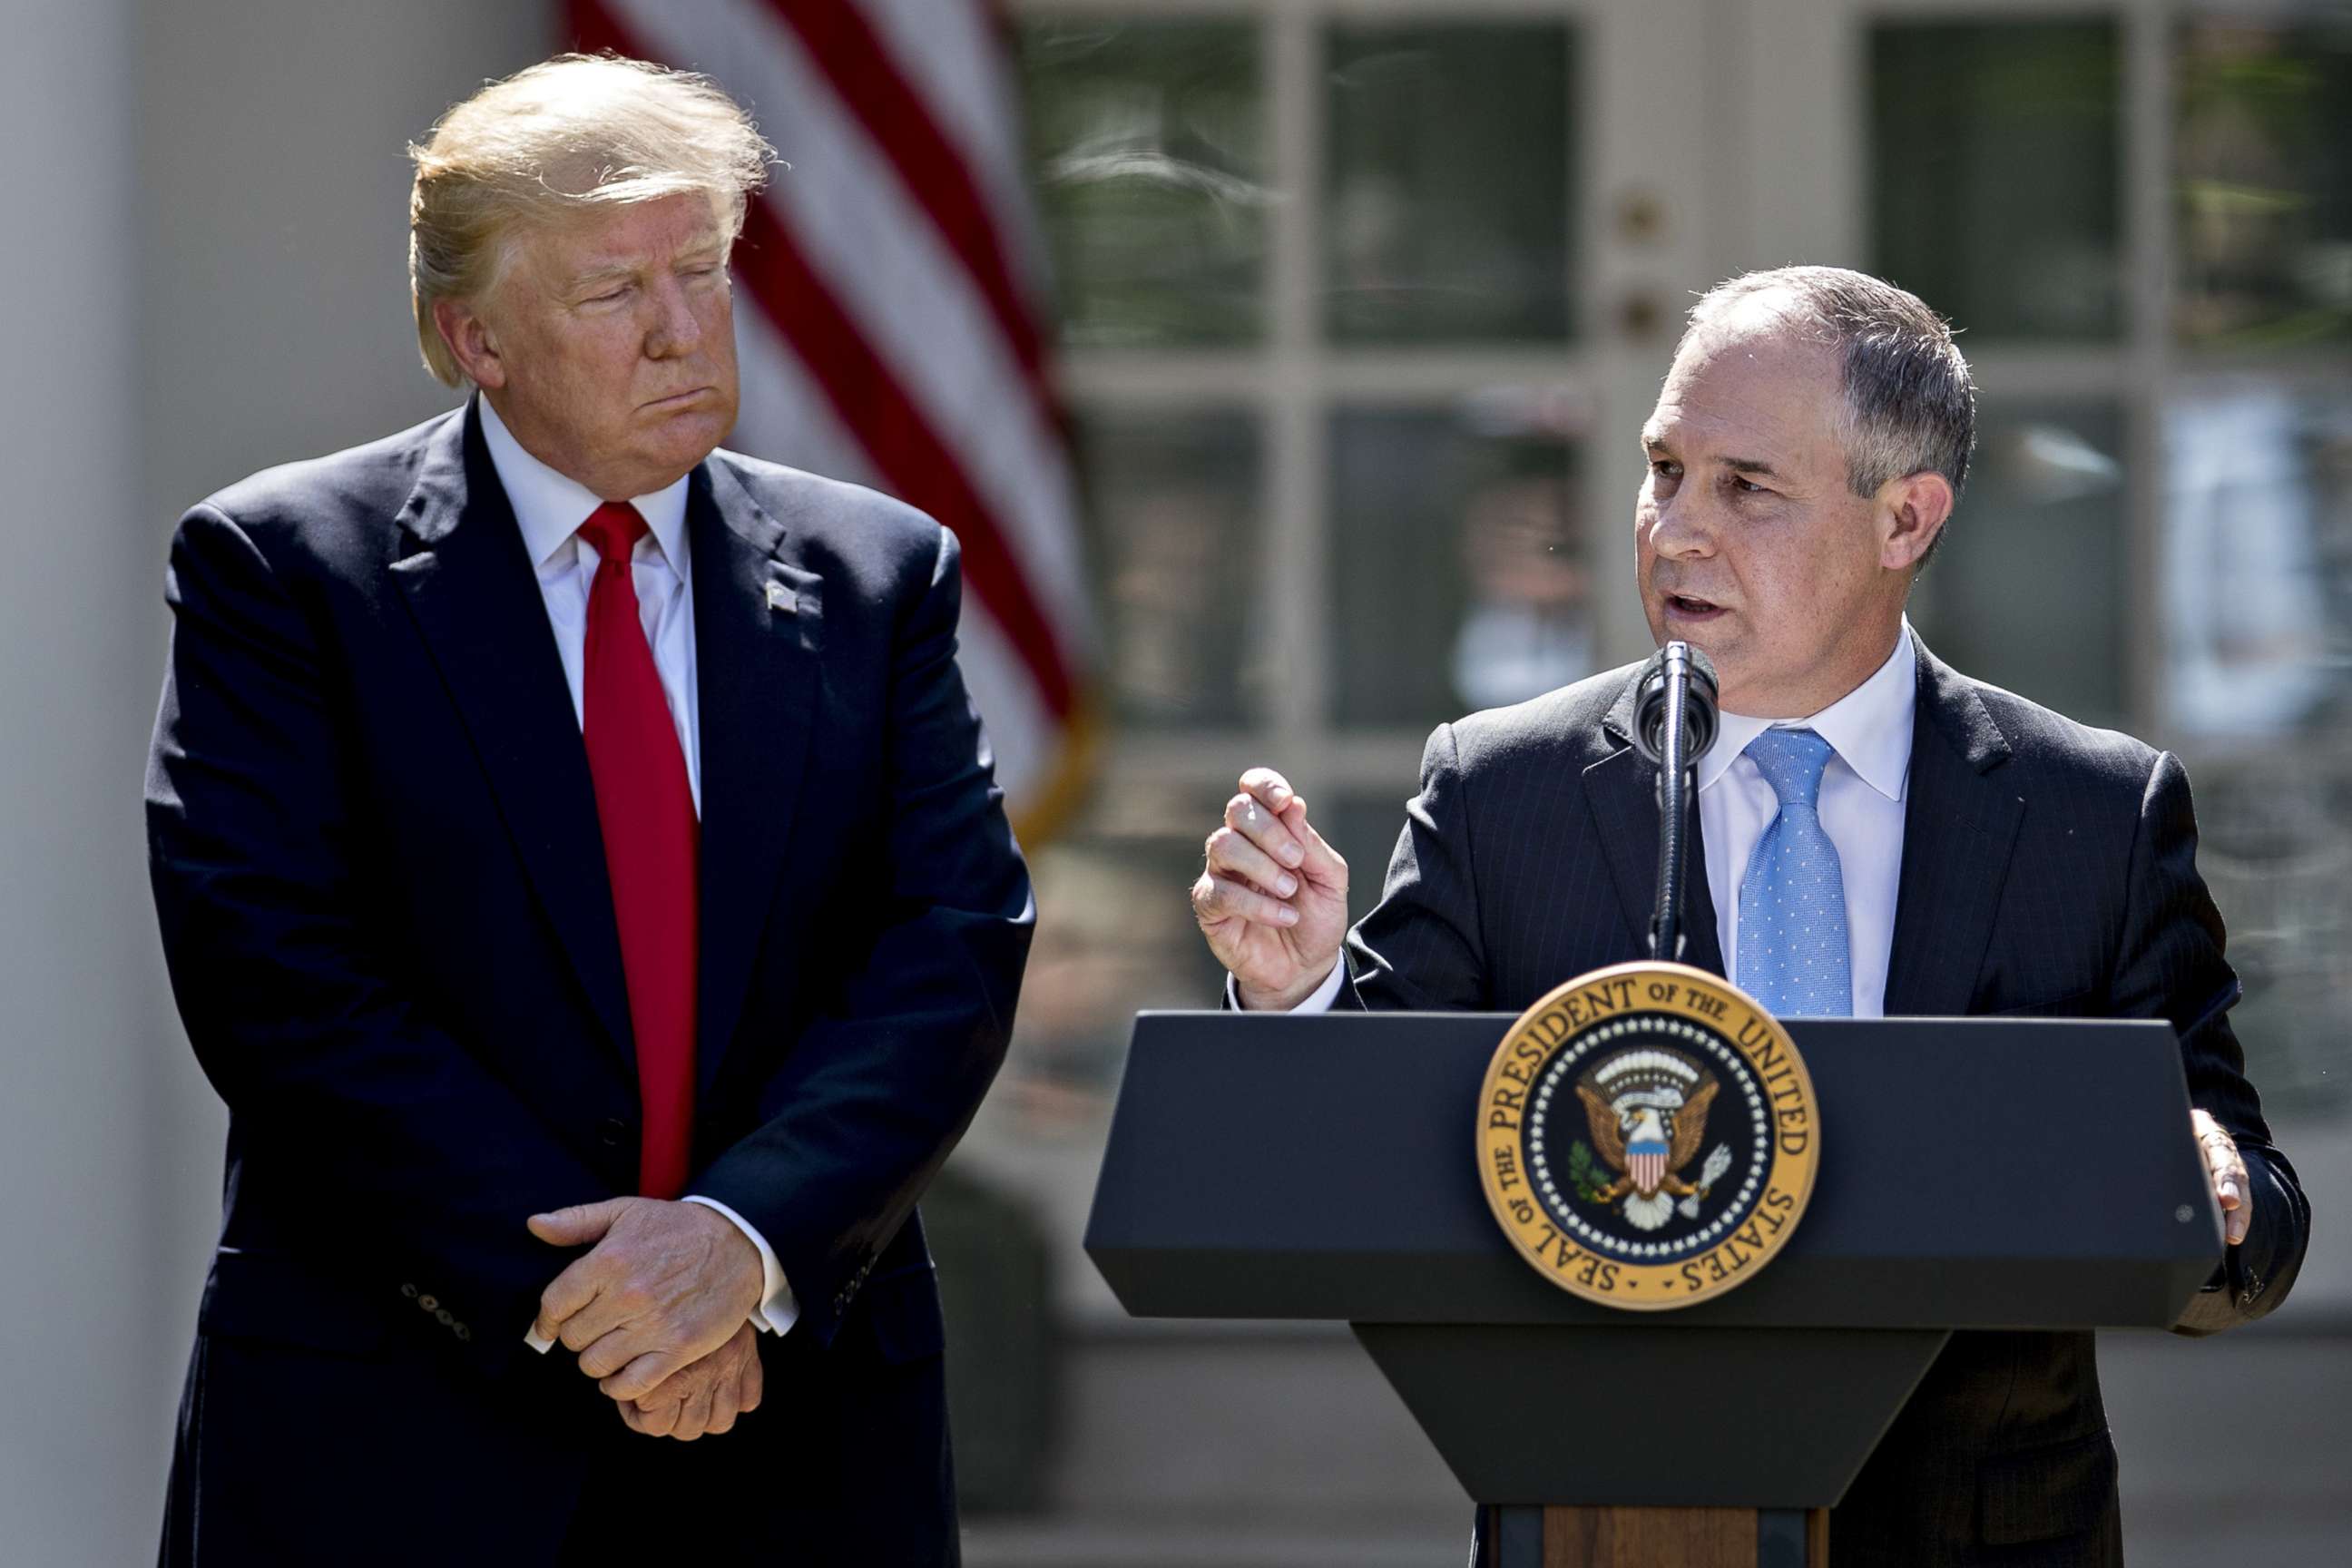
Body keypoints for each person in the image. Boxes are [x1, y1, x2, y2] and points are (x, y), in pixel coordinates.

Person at [1191, 266, 2309, 1565]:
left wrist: (2200, 1187)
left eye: (1745, 487)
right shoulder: (1506, 792)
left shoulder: (2091, 814)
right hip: (1608, 1525)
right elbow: (1362, 1165)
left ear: (1905, 519)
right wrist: (1302, 993)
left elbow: (2255, 1232)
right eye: (1664, 470)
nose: (1675, 532)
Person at [146, 55, 1031, 1565]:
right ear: (471, 337)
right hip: (405, 1421)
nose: (683, 329)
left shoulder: (882, 573)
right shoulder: (289, 572)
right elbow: (279, 977)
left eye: (702, 269)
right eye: (616, 294)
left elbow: (947, 946)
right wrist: (618, 1300)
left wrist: (738, 1248)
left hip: (798, 1427)